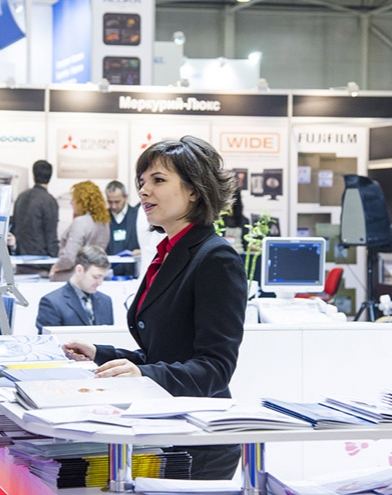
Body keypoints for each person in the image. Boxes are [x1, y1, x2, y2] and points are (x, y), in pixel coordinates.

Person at [63, 136, 246, 481]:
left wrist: (143, 375)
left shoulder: (215, 258)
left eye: (158, 180)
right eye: (142, 182)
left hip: (199, 441)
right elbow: (163, 352)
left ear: (194, 190)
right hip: (165, 429)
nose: (144, 191)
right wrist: (101, 355)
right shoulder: (168, 252)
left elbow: (215, 368)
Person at [36, 245, 114, 332]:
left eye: (103, 277)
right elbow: (49, 339)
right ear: (79, 270)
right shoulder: (51, 303)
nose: (100, 282)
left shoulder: (106, 301)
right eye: (96, 277)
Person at [49, 180, 111, 282]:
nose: (71, 202)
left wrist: (56, 267)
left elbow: (69, 257)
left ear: (81, 201)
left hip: (73, 278)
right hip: (94, 277)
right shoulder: (104, 223)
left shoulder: (80, 222)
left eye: (74, 199)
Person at [12, 160, 59, 257]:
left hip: (20, 256)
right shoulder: (49, 201)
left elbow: (15, 226)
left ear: (33, 176)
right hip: (41, 258)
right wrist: (55, 257)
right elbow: (51, 236)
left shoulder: (21, 197)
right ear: (50, 177)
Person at [105, 180, 141, 277]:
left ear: (126, 197)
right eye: (110, 202)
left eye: (117, 202)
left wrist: (140, 252)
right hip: (108, 275)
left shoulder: (138, 215)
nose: (113, 206)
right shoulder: (102, 218)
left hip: (134, 273)